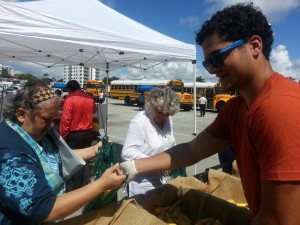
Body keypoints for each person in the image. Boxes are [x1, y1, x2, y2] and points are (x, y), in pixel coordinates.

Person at [119, 3, 300, 224]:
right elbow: (191, 150)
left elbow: (280, 220)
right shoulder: (236, 109)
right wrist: (136, 166)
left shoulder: (279, 108)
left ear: (254, 46)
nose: (212, 70)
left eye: (217, 58)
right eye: (207, 62)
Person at [0, 80, 126, 225]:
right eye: (46, 119)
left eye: (54, 118)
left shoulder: (32, 131)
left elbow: (52, 157)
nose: (52, 125)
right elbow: (43, 209)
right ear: (21, 114)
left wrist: (93, 150)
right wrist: (102, 184)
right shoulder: (8, 152)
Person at [121, 87, 180, 197]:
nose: (162, 117)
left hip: (162, 180)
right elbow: (127, 152)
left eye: (167, 114)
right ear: (151, 105)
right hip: (142, 185)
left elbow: (169, 142)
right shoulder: (139, 122)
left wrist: (171, 160)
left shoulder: (167, 119)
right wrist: (159, 163)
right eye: (159, 112)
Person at [59, 80, 97, 191]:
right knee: (83, 159)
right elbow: (94, 110)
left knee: (72, 160)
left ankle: (73, 188)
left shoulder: (70, 99)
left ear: (69, 89)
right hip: (87, 133)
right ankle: (80, 184)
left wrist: (63, 136)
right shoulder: (90, 98)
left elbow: (66, 120)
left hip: (74, 134)